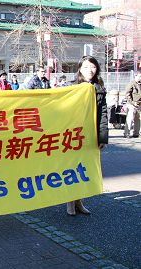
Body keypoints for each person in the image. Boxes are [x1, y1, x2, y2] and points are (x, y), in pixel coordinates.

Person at [65, 55, 108, 216]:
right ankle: (70, 201)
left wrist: (102, 137)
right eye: (86, 67)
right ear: (79, 69)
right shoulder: (72, 87)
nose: (90, 70)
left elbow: (103, 114)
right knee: (72, 168)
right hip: (73, 135)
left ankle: (79, 201)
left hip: (91, 135)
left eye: (93, 66)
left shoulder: (99, 87)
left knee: (85, 169)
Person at [124, 71, 141, 138]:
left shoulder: (140, 84)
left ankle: (136, 133)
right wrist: (133, 102)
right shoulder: (131, 84)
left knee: (138, 119)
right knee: (130, 119)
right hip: (131, 104)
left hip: (139, 104)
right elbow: (127, 94)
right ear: (136, 76)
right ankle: (126, 133)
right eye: (140, 76)